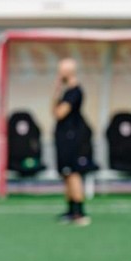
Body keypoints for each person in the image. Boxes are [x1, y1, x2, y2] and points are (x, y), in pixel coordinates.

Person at [52, 58, 94, 226]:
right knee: (66, 173)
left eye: (61, 70)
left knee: (74, 173)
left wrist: (57, 95)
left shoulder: (75, 92)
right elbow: (53, 110)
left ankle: (79, 211)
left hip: (74, 139)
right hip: (64, 138)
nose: (59, 74)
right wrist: (56, 91)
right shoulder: (65, 91)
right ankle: (70, 209)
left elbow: (59, 113)